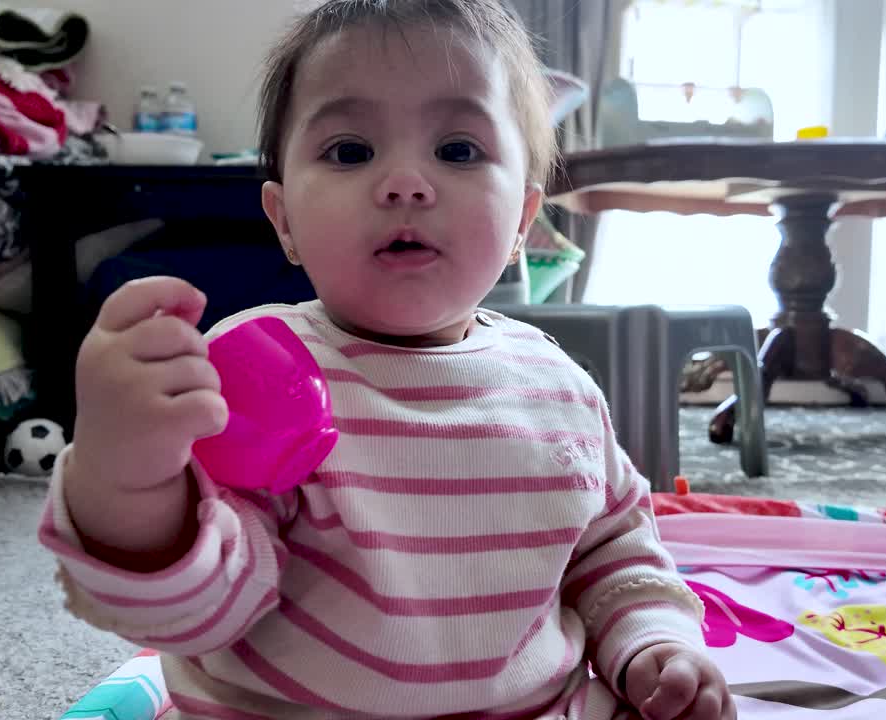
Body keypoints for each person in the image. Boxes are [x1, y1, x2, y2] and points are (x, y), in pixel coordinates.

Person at [38, 1, 732, 718]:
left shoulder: (562, 389)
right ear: (285, 222)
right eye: (350, 151)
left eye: (458, 150)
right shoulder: (255, 376)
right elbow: (193, 613)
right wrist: (129, 475)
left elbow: (614, 554)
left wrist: (656, 644)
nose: (405, 182)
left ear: (524, 220)